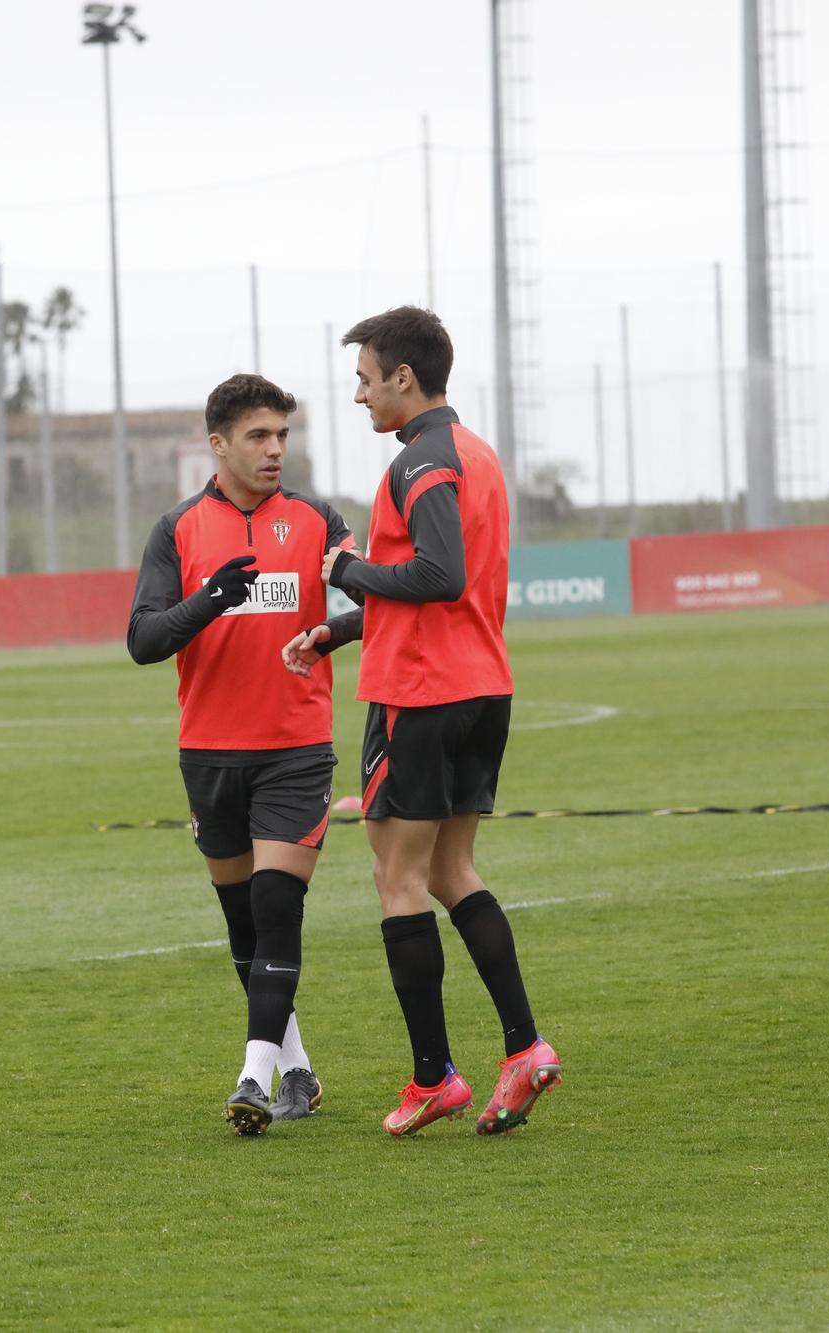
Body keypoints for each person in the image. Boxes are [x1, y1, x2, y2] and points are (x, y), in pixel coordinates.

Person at [283, 306, 560, 1137]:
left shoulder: (421, 463)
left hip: (421, 696)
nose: (359, 394)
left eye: (366, 379)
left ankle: (434, 1075)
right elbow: (442, 588)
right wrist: (339, 624)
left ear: (405, 378)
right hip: (480, 687)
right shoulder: (474, 454)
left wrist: (346, 569)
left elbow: (437, 574)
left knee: (397, 881)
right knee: (450, 872)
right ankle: (525, 1049)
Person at [128, 373, 356, 1135]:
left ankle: (253, 1078)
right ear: (218, 443)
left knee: (275, 905)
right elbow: (144, 640)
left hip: (295, 749)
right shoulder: (178, 529)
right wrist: (210, 601)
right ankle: (297, 1068)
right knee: (243, 924)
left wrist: (333, 630)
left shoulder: (317, 519)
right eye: (259, 435)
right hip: (209, 753)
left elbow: (378, 598)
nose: (275, 449)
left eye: (283, 434)